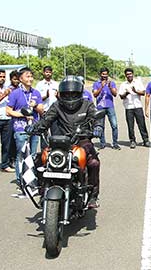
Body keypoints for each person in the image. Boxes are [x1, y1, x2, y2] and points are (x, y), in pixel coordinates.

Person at [27, 76, 103, 208]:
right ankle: (43, 191)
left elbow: (96, 117)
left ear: (79, 93)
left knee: (94, 163)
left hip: (82, 141)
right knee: (41, 158)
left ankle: (92, 196)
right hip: (61, 142)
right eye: (67, 94)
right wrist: (35, 127)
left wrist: (98, 127)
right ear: (61, 94)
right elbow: (46, 120)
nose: (70, 97)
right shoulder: (57, 106)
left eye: (73, 94)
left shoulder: (87, 104)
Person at [6, 67, 44, 194]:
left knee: (32, 155)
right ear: (21, 78)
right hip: (20, 128)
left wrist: (35, 105)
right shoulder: (15, 93)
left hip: (34, 128)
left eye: (31, 76)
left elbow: (42, 110)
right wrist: (22, 114)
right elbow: (8, 111)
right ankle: (21, 180)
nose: (30, 79)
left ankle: (30, 180)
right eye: (27, 76)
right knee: (21, 155)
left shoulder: (36, 93)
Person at [119, 67, 150, 148]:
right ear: (125, 75)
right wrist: (126, 93)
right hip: (128, 107)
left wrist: (136, 91)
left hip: (137, 106)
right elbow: (121, 96)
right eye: (127, 74)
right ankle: (132, 141)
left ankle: (145, 140)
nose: (129, 75)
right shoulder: (123, 84)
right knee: (130, 126)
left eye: (130, 74)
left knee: (142, 124)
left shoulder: (138, 82)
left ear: (133, 74)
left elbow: (143, 93)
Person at [93, 67, 120, 150]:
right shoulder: (96, 83)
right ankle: (102, 143)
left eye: (106, 74)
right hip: (100, 107)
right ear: (100, 74)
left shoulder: (111, 83)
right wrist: (101, 86)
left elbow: (115, 94)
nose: (104, 76)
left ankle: (115, 143)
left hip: (110, 107)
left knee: (114, 125)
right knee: (101, 126)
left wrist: (110, 87)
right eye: (103, 74)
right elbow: (95, 94)